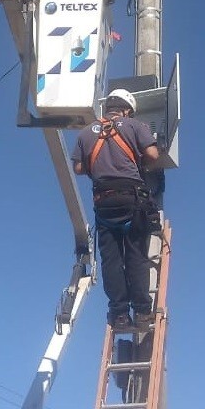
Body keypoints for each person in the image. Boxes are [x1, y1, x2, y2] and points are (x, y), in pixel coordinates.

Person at [72, 89, 160, 331]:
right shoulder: (134, 125)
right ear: (127, 109)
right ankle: (142, 311)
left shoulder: (85, 133)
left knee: (111, 260)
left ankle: (119, 314)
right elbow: (152, 154)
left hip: (104, 201)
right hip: (132, 198)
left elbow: (79, 168)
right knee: (135, 255)